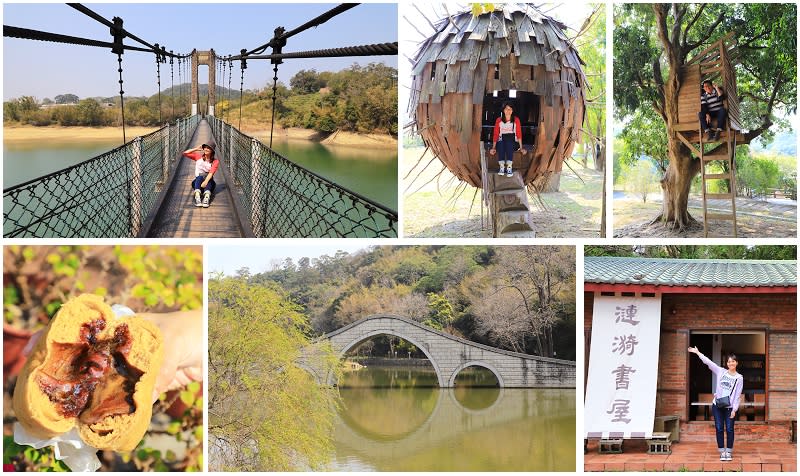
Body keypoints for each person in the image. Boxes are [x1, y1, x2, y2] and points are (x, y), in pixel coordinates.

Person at [688, 346, 743, 462]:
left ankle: (728, 452)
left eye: (733, 361)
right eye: (729, 361)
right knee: (719, 428)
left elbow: (738, 395)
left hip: (729, 408)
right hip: (717, 406)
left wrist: (734, 410)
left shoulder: (739, 378)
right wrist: (698, 352)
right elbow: (708, 362)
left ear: (736, 363)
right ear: (726, 363)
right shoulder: (721, 371)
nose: (731, 363)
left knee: (729, 429)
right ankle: (722, 451)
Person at [489, 102, 527, 177]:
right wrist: (493, 148)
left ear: (512, 111)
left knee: (509, 143)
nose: (508, 111)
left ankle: (509, 167)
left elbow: (519, 134)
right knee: (501, 143)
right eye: (506, 109)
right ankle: (502, 167)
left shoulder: (516, 120)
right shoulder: (499, 120)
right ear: (503, 110)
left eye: (510, 109)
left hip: (513, 142)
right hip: (502, 141)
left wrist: (521, 147)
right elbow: (496, 134)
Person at [182, 144, 219, 208]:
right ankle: (197, 197)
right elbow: (185, 153)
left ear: (212, 151)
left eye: (209, 148)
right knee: (199, 177)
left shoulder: (215, 161)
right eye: (205, 147)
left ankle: (206, 199)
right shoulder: (198, 157)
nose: (206, 149)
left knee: (209, 179)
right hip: (198, 184)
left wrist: (205, 182)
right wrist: (196, 149)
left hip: (208, 184)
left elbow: (211, 173)